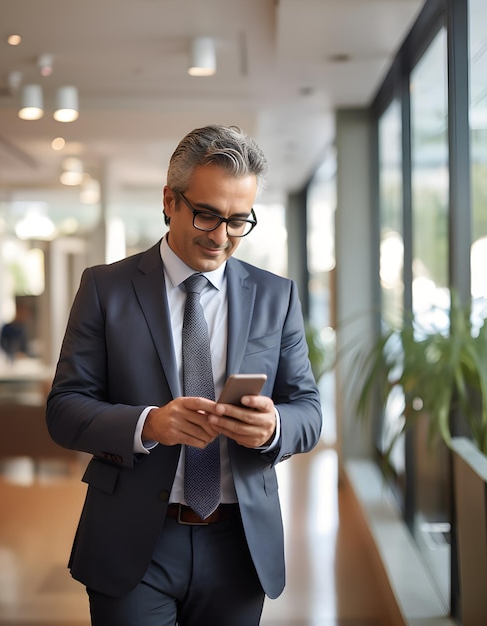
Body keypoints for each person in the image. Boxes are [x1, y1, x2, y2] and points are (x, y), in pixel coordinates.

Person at [46, 124, 323, 626]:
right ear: (170, 200)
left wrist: (273, 427)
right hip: (134, 542)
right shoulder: (105, 289)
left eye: (239, 221)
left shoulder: (276, 297)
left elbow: (308, 409)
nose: (222, 237)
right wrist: (148, 424)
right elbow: (64, 410)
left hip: (238, 545)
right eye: (207, 215)